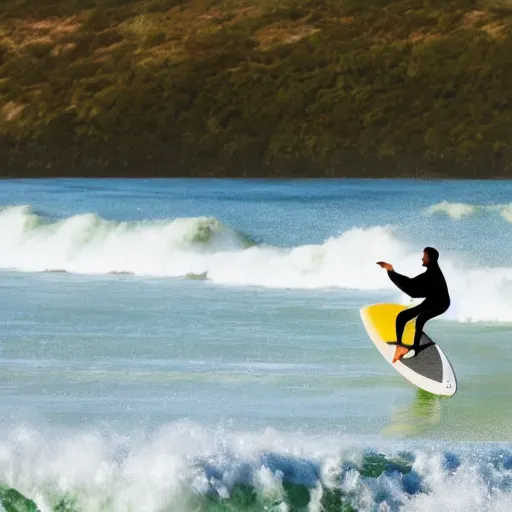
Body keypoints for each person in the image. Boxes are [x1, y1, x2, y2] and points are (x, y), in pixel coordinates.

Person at [376, 247, 450, 363]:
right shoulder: (431, 272)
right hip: (432, 299)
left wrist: (390, 271)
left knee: (420, 318)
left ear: (430, 259)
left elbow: (412, 289)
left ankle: (415, 349)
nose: (422, 259)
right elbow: (412, 286)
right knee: (402, 317)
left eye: (424, 257)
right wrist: (391, 272)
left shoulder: (432, 274)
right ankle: (400, 347)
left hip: (441, 303)